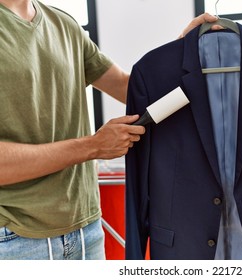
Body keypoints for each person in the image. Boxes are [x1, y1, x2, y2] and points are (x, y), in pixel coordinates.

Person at [0, 0, 218, 260]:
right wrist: (93, 146)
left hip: (86, 229)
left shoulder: (63, 24)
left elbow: (131, 88)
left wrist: (183, 50)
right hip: (14, 237)